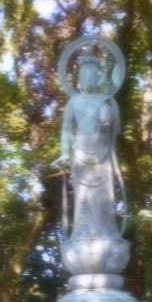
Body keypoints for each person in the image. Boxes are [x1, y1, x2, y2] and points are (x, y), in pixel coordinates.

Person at [52, 56, 124, 241]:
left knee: (104, 194)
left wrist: (110, 117)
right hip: (80, 152)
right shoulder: (74, 102)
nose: (90, 78)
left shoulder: (105, 100)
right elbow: (66, 128)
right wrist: (64, 153)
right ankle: (82, 233)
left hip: (102, 152)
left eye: (93, 75)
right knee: (83, 196)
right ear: (80, 80)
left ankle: (107, 233)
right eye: (86, 75)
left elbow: (115, 129)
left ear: (98, 77)